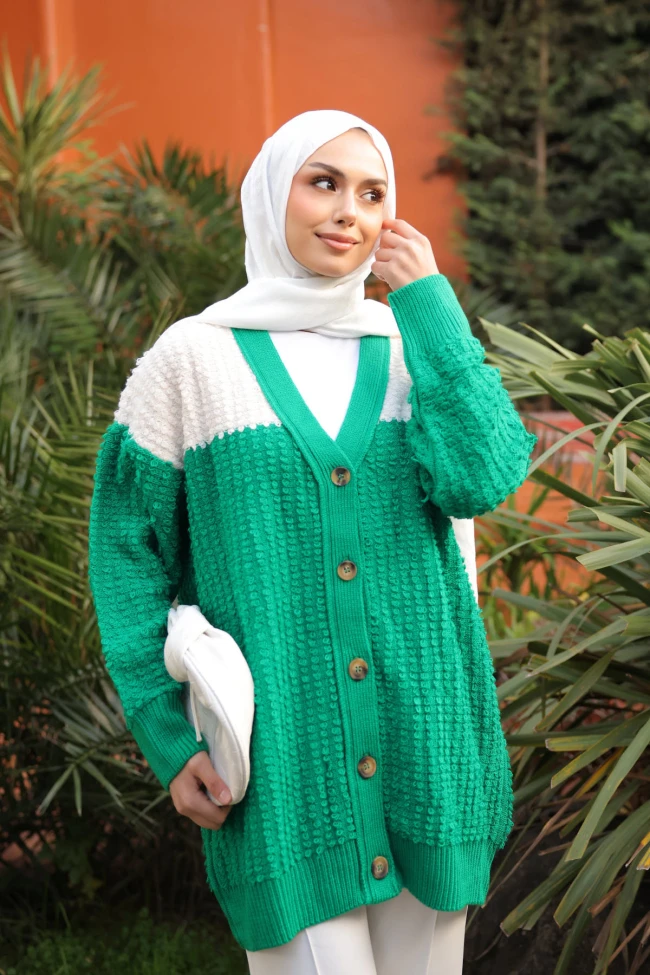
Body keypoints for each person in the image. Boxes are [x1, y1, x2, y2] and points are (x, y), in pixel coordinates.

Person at [88, 109, 538, 974]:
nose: (348, 212)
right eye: (323, 183)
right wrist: (170, 739)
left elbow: (482, 478)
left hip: (429, 749)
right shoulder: (194, 361)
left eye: (372, 194)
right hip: (286, 774)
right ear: (271, 195)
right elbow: (127, 558)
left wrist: (430, 307)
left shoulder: (412, 347)